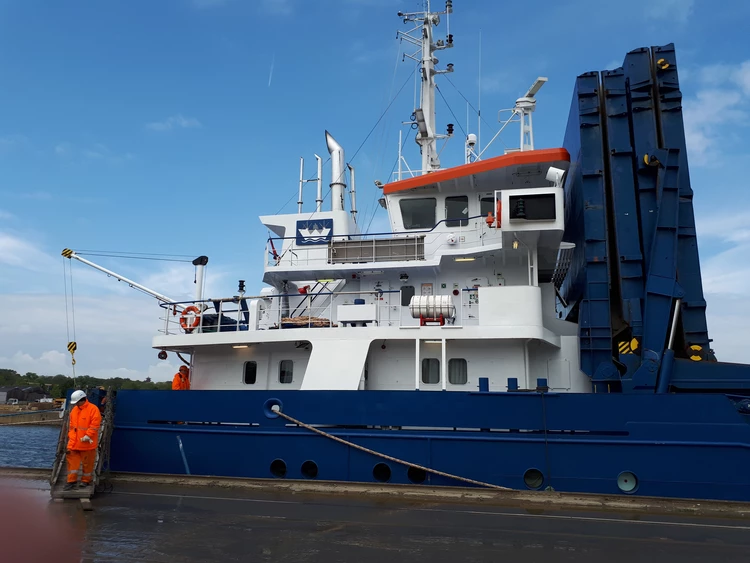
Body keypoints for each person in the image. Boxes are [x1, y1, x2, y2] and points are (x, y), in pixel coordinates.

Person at [64, 390, 102, 491]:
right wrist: (71, 436)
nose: (76, 404)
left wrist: (88, 435)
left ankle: (85, 480)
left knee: (87, 463)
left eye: (77, 402)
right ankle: (71, 481)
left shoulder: (93, 409)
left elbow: (95, 425)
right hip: (74, 443)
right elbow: (72, 426)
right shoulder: (74, 410)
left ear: (82, 400)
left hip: (87, 443)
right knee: (72, 464)